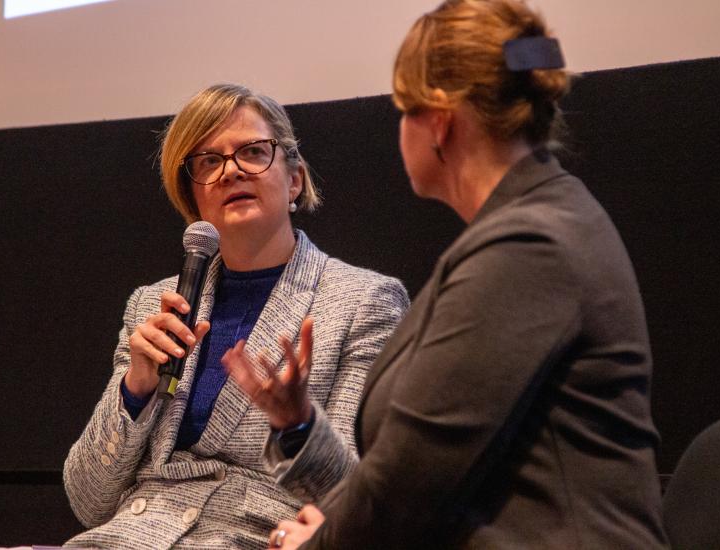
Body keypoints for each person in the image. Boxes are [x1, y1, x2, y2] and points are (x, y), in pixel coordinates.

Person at [223, 1, 669, 548]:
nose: (399, 131)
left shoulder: (528, 249)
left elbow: (408, 486)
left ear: (438, 120)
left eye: (402, 110)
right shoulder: (532, 223)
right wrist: (330, 508)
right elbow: (431, 479)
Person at [62, 83, 409, 549]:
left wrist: (299, 424)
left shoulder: (363, 302)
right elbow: (88, 501)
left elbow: (359, 502)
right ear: (194, 199)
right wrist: (135, 389)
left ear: (294, 179)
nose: (231, 171)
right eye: (209, 161)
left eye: (252, 151)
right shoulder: (154, 304)